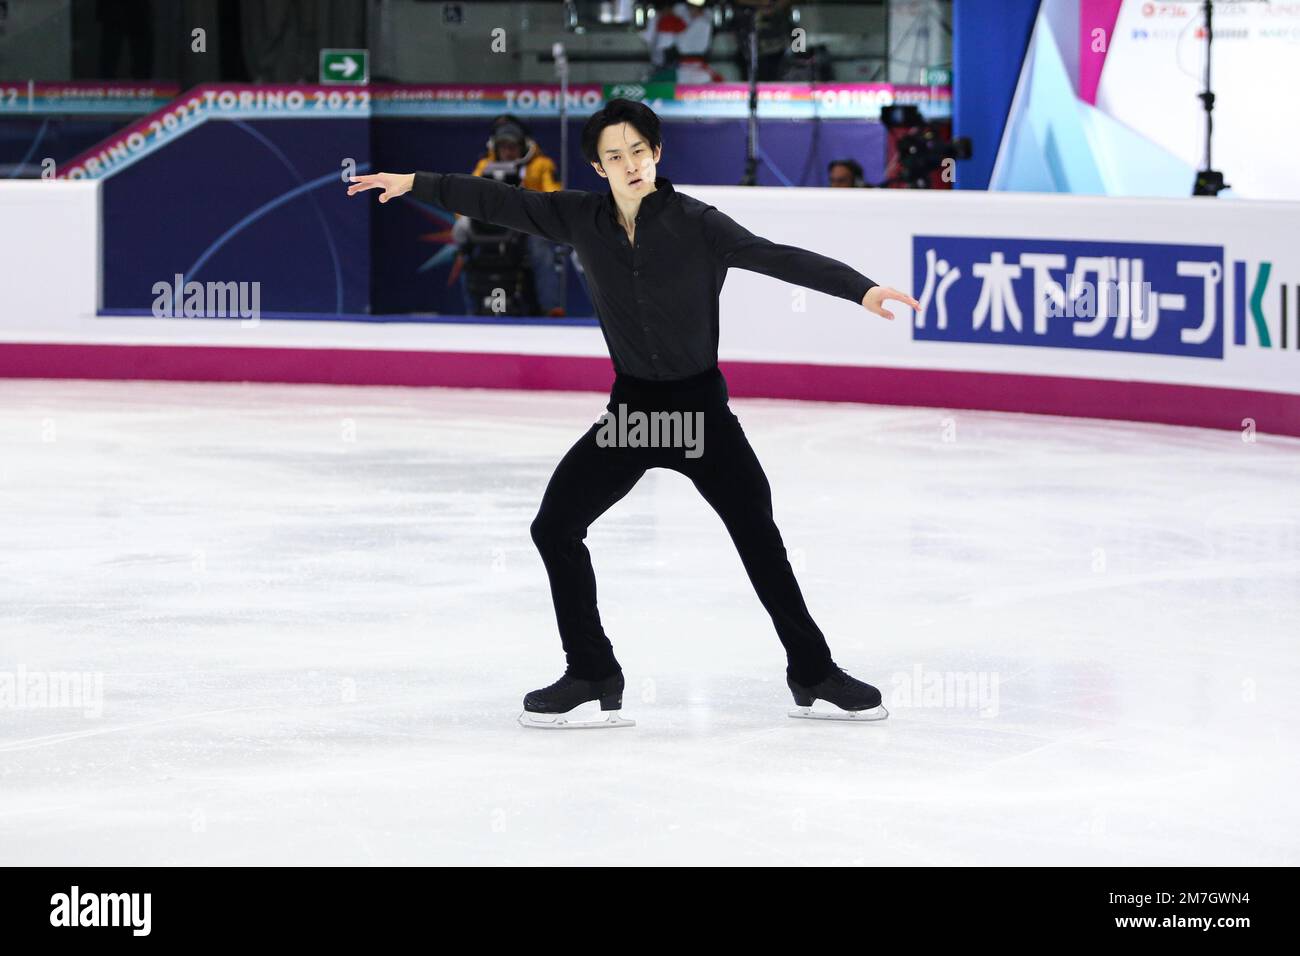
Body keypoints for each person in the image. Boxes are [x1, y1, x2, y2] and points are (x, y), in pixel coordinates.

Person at [347, 98, 919, 728]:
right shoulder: (579, 218)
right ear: (598, 166)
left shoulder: (700, 224)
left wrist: (861, 288)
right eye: (615, 156)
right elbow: (498, 201)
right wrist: (415, 184)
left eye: (639, 151)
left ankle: (814, 672)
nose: (630, 164)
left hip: (701, 415)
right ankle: (592, 671)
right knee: (554, 527)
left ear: (657, 154)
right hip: (634, 416)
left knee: (758, 536)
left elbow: (776, 257)